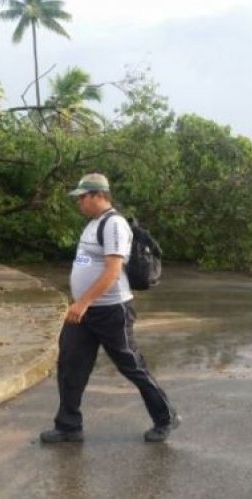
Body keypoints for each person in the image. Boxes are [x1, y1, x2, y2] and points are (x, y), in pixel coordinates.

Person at [40, 173, 180, 444]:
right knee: (70, 364)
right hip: (85, 311)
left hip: (111, 311)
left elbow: (113, 272)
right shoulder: (93, 224)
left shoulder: (114, 224)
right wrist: (80, 302)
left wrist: (83, 302)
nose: (79, 202)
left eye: (82, 197)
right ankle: (69, 426)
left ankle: (166, 417)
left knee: (132, 366)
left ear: (98, 195)